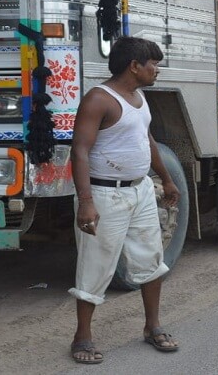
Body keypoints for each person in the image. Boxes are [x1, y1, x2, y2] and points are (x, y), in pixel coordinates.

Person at [68, 36, 181, 364]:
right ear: (134, 66)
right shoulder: (98, 99)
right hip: (105, 194)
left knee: (151, 259)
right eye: (153, 64)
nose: (156, 70)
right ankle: (82, 337)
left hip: (141, 189)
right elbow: (80, 151)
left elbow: (149, 142)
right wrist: (86, 201)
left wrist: (167, 179)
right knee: (95, 265)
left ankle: (153, 326)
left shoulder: (139, 98)